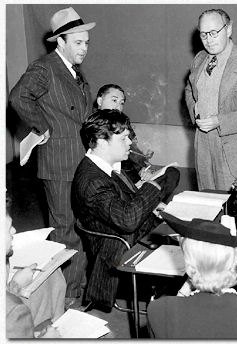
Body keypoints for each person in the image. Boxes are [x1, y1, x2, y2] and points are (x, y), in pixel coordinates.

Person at [8, 7, 96, 306]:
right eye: (78, 42)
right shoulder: (45, 68)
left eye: (86, 42)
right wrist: (43, 127)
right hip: (60, 163)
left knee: (81, 227)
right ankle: (64, 299)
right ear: (61, 41)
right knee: (65, 231)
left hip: (80, 160)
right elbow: (19, 96)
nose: (84, 48)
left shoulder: (73, 72)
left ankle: (78, 289)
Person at [72, 109, 179, 311]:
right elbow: (127, 220)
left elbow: (122, 203)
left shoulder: (105, 167)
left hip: (128, 233)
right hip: (119, 246)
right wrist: (153, 186)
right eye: (123, 138)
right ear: (101, 141)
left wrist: (152, 205)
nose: (130, 142)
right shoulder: (93, 180)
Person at [147, 213, 237, 339]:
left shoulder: (157, 311)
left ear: (189, 267)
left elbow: (172, 320)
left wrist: (186, 286)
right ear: (234, 264)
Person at [185, 8, 237, 191]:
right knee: (207, 205)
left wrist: (218, 121)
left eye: (214, 33)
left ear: (229, 29)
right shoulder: (199, 59)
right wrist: (196, 111)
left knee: (231, 211)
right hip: (204, 146)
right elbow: (189, 88)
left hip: (234, 150)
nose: (209, 39)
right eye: (204, 34)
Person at [6, 196, 62, 338]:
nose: (14, 231)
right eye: (7, 229)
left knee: (52, 269)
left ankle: (57, 321)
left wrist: (14, 284)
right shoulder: (15, 312)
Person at [95, 84, 155, 183]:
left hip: (129, 174)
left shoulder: (124, 123)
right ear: (100, 101)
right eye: (114, 100)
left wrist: (143, 167)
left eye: (121, 103)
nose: (118, 107)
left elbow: (133, 150)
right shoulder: (93, 125)